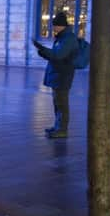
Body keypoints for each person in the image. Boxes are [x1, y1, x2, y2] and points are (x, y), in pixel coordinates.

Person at [32, 11, 79, 139]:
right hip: (58, 75)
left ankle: (62, 129)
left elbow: (58, 55)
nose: (53, 28)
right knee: (57, 103)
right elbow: (55, 54)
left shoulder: (68, 39)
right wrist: (43, 51)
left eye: (55, 25)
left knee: (62, 104)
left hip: (62, 76)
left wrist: (42, 49)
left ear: (61, 25)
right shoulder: (62, 37)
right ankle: (58, 126)